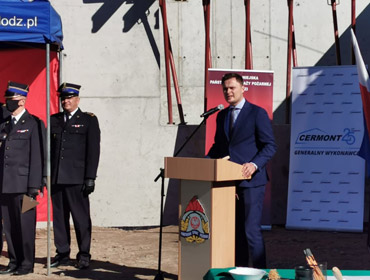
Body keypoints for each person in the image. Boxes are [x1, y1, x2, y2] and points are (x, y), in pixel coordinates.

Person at [207, 72, 277, 268]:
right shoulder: (221, 116)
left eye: (232, 88)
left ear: (242, 88)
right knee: (236, 232)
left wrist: (254, 165)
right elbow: (219, 147)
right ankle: (240, 271)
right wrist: (205, 163)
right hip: (229, 183)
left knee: (250, 230)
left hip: (252, 182)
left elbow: (270, 146)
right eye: (225, 89)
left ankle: (260, 273)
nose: (228, 92)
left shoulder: (257, 113)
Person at [50, 83, 100, 269]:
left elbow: (93, 151)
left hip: (77, 179)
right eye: (63, 98)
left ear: (77, 99)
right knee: (59, 220)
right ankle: (62, 254)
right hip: (57, 178)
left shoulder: (88, 120)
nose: (66, 101)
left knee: (81, 218)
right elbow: (49, 151)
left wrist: (90, 177)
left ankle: (84, 254)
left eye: (70, 98)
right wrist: (47, 176)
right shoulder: (54, 120)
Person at [0, 81, 44, 275]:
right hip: (5, 186)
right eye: (7, 99)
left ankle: (26, 264)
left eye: (12, 100)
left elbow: (38, 156)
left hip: (27, 187)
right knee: (9, 228)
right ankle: (14, 261)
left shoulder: (34, 123)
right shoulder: (4, 124)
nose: (8, 103)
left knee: (26, 227)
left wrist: (34, 185)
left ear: (22, 101)